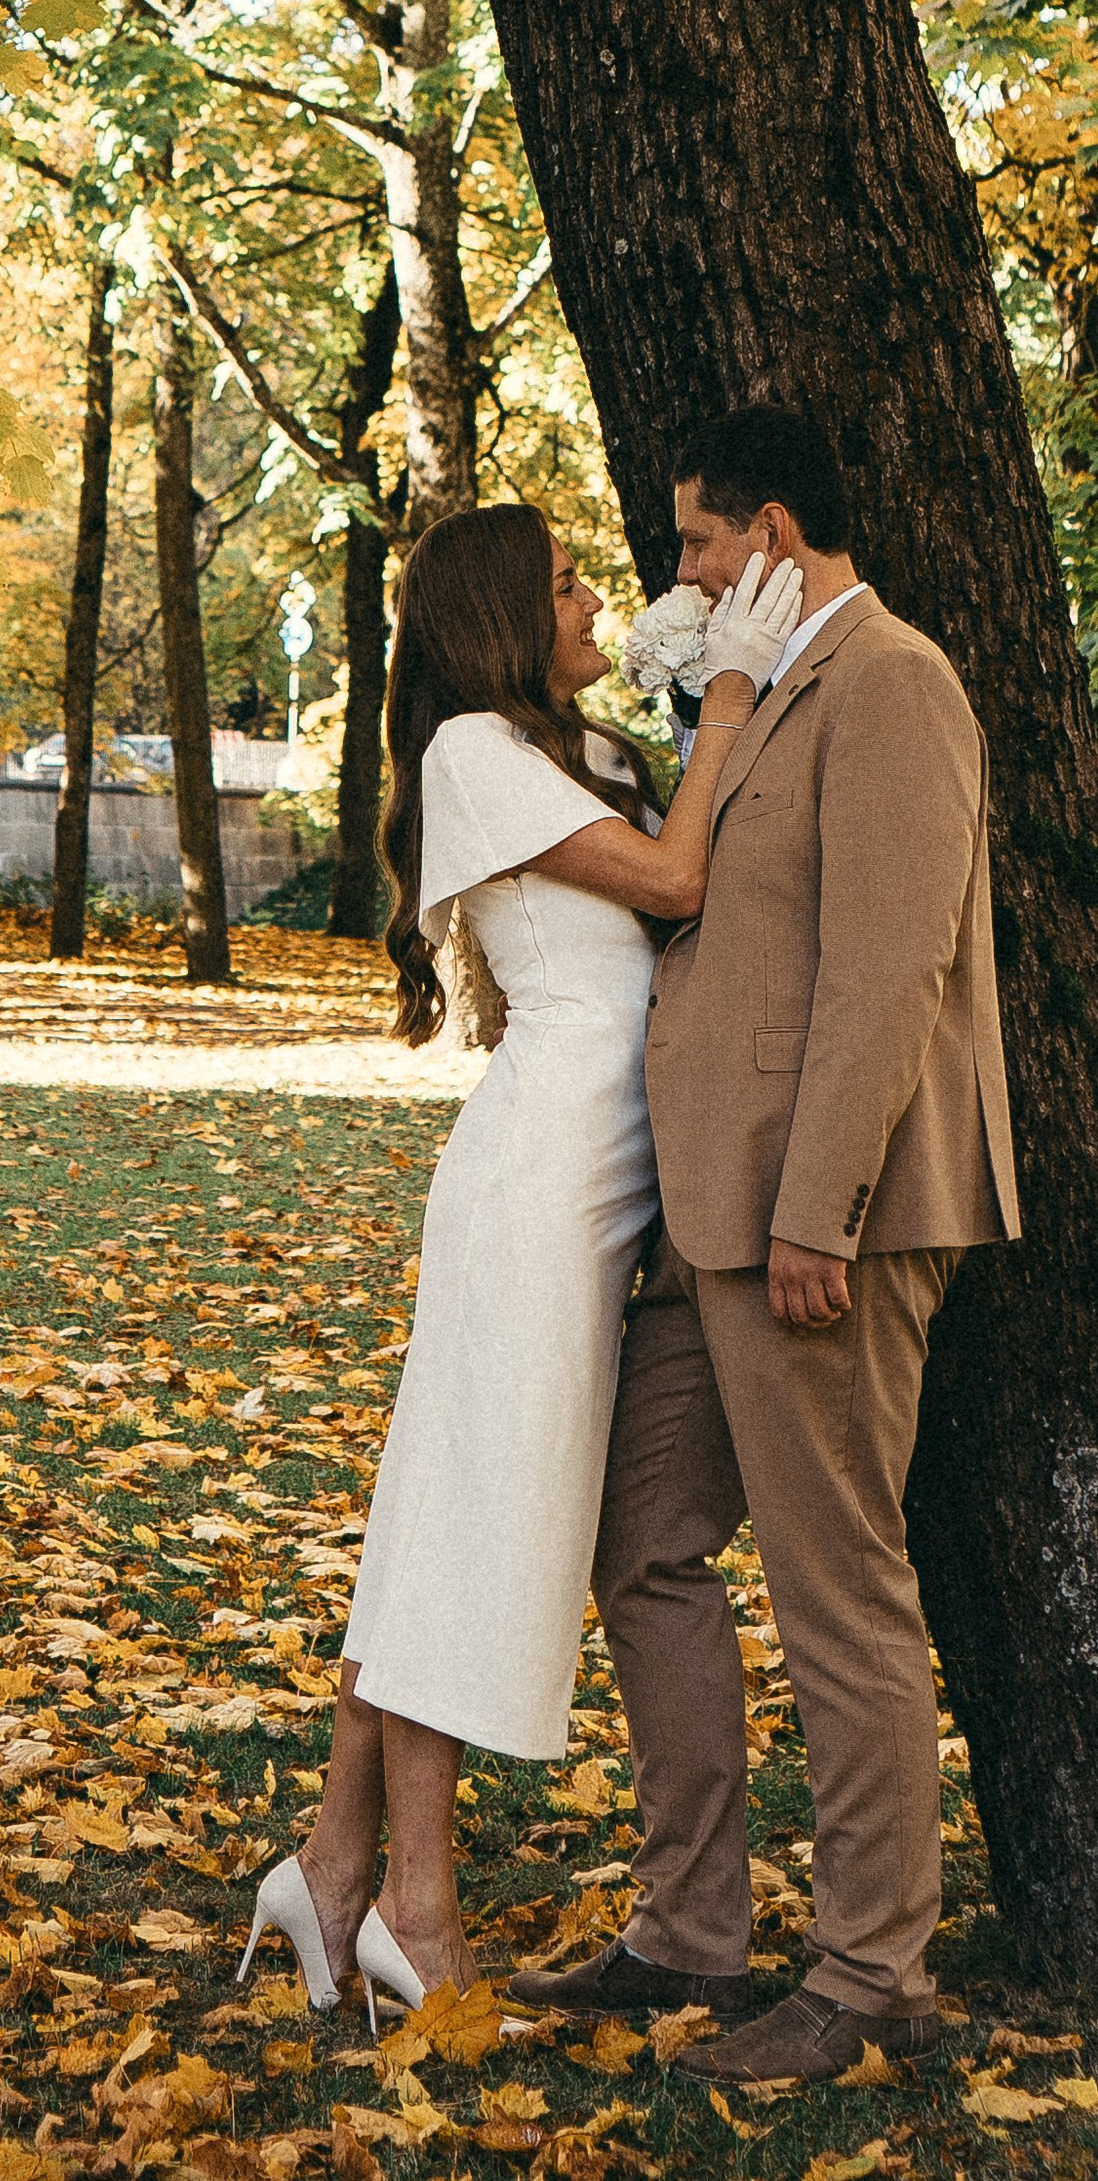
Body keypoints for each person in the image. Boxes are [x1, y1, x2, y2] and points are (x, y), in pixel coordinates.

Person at [235, 502, 802, 2030]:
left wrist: (699, 701)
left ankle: (335, 1869)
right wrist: (734, 688)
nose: (590, 599)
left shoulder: (556, 749)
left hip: (608, 1181)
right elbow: (677, 885)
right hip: (540, 1184)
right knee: (476, 1525)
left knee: (447, 1511)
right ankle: (409, 1905)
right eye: (561, 584)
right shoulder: (470, 752)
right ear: (496, 613)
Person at [511, 404, 1018, 2082]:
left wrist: (820, 1209)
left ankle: (872, 1979)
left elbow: (893, 972)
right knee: (643, 1538)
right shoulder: (773, 693)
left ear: (775, 537)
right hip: (711, 1222)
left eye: (696, 547)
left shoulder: (896, 684)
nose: (681, 576)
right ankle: (689, 1941)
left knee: (836, 1591)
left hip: (824, 1225)